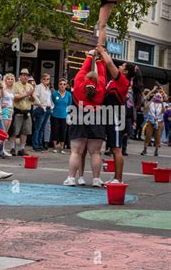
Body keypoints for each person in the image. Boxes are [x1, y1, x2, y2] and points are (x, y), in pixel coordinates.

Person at [96, 45, 142, 183]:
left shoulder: (123, 80)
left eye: (122, 66)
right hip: (108, 114)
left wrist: (102, 50)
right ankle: (115, 177)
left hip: (115, 116)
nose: (120, 66)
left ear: (126, 72)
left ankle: (119, 179)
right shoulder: (115, 80)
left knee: (116, 149)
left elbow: (109, 63)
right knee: (112, 148)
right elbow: (106, 65)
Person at [63, 51, 107, 188]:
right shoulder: (101, 87)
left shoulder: (79, 84)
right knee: (95, 152)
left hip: (79, 117)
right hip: (96, 118)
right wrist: (99, 60)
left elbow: (83, 69)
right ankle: (96, 179)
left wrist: (90, 56)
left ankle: (71, 178)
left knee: (76, 151)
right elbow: (103, 74)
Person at [12, 69, 34, 157]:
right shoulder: (15, 85)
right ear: (20, 76)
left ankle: (21, 148)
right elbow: (15, 97)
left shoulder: (30, 86)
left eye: (27, 75)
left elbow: (32, 101)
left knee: (25, 131)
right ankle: (12, 148)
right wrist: (26, 94)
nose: (25, 77)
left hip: (27, 111)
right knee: (14, 131)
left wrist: (31, 95)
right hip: (18, 110)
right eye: (23, 75)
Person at [32, 73, 53, 152]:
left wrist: (51, 106)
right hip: (41, 108)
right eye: (44, 79)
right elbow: (35, 95)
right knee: (37, 127)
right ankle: (35, 145)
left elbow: (49, 99)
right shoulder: (38, 87)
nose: (46, 80)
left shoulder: (48, 89)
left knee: (42, 128)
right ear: (41, 80)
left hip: (47, 108)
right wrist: (40, 104)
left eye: (47, 79)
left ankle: (40, 144)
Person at [51, 78, 72, 153]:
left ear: (66, 85)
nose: (62, 86)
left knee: (63, 131)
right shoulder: (55, 94)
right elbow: (52, 102)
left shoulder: (69, 95)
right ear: (58, 85)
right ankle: (55, 147)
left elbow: (69, 105)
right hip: (55, 115)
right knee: (55, 131)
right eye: (60, 84)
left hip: (64, 115)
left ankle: (62, 147)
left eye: (64, 84)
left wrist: (69, 115)